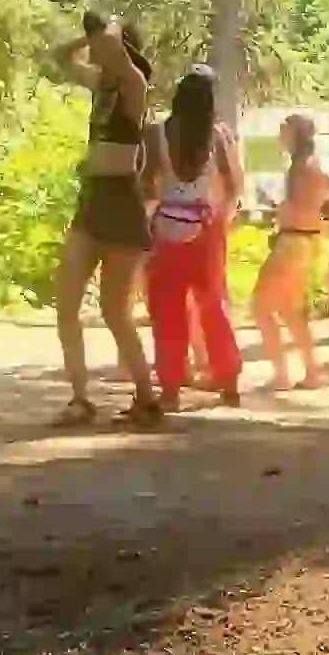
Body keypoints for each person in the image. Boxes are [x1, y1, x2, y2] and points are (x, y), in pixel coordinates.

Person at [50, 15, 161, 426]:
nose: (96, 51)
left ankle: (147, 398)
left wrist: (111, 26)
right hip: (92, 199)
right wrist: (88, 34)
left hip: (122, 202)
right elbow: (59, 56)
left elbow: (115, 51)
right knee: (67, 302)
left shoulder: (134, 86)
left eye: (103, 44)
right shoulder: (103, 87)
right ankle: (80, 398)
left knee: (116, 311)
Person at [145, 66, 244, 411]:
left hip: (166, 227)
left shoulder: (157, 132)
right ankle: (228, 383)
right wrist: (221, 221)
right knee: (214, 306)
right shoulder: (217, 136)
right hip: (207, 226)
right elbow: (234, 187)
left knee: (167, 311)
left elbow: (146, 185)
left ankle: (171, 388)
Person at [252, 112, 329, 392]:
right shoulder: (311, 166)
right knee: (289, 310)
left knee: (261, 307)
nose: (279, 136)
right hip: (304, 243)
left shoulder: (302, 168)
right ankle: (310, 371)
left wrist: (278, 210)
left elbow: (302, 209)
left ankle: (282, 374)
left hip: (293, 242)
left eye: (284, 131)